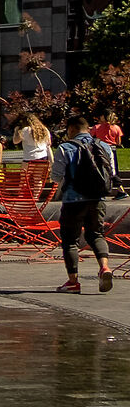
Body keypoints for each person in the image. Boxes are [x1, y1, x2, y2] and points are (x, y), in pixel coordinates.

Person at [42, 112, 117, 293]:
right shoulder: (104, 146)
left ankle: (73, 282)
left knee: (70, 240)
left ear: (72, 129)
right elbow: (111, 172)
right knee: (97, 235)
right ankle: (104, 267)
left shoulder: (65, 147)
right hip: (98, 199)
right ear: (88, 129)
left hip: (73, 200)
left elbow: (56, 176)